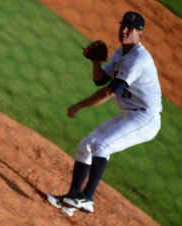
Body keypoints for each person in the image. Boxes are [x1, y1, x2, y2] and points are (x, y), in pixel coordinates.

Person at [46, 11, 162, 215]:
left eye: (131, 28)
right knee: (85, 145)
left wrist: (78, 105)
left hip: (146, 118)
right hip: (130, 113)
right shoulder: (120, 53)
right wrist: (95, 63)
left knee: (101, 145)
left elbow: (108, 91)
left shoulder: (138, 59)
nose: (125, 30)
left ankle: (87, 198)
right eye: (123, 25)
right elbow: (100, 80)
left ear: (140, 33)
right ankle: (71, 199)